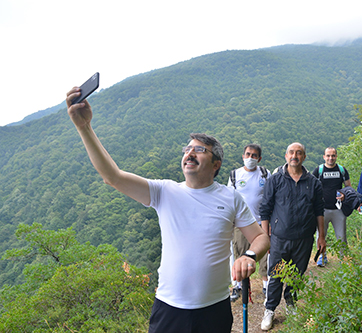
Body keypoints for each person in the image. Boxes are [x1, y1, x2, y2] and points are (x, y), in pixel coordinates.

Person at [66, 87, 270, 333]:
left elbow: (260, 237)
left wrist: (248, 256)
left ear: (216, 164)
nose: (189, 153)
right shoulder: (164, 191)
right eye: (187, 149)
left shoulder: (230, 197)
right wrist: (84, 127)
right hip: (169, 308)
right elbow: (113, 177)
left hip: (214, 308)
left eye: (199, 150)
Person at [259, 142, 326, 331]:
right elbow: (265, 209)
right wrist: (266, 237)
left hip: (304, 238)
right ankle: (270, 309)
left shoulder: (314, 182)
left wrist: (321, 236)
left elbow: (319, 210)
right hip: (280, 237)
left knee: (297, 274)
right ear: (286, 155)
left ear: (304, 157)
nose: (294, 156)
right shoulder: (275, 179)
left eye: (299, 153)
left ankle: (291, 304)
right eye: (291, 152)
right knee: (276, 274)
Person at [228, 144, 271, 301]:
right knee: (239, 254)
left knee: (266, 256)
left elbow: (271, 198)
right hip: (241, 224)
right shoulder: (235, 175)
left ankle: (267, 286)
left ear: (259, 158)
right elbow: (229, 199)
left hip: (262, 222)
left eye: (254, 155)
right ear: (243, 156)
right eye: (248, 154)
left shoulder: (265, 174)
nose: (250, 158)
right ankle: (238, 287)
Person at [311, 147, 351, 266]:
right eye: (328, 155)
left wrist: (345, 195)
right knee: (321, 235)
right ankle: (322, 257)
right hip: (322, 210)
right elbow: (312, 188)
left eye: (333, 155)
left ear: (336, 156)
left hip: (338, 209)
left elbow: (349, 188)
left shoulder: (341, 170)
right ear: (324, 157)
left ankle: (343, 259)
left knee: (341, 236)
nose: (330, 158)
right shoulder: (318, 170)